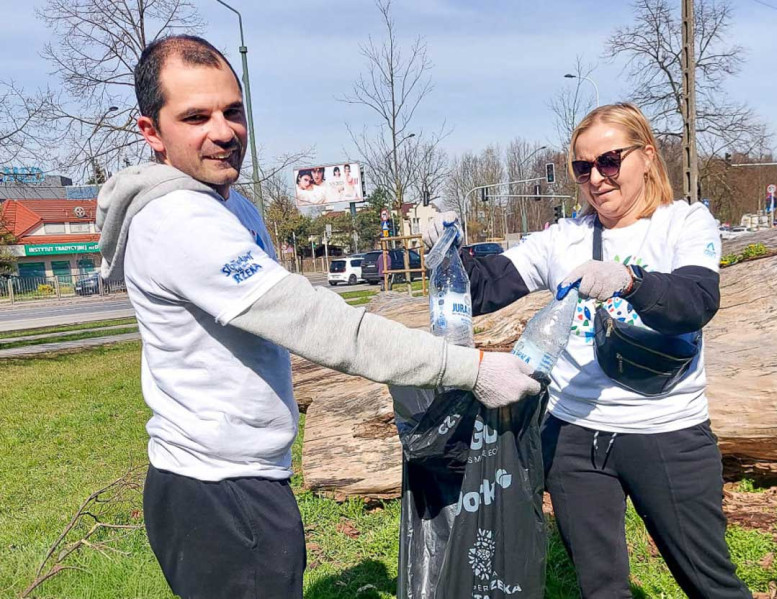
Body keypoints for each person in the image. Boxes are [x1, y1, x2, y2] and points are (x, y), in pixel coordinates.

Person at [96, 34, 539, 599]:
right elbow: (323, 326)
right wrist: (470, 368)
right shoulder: (179, 221)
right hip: (217, 491)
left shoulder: (230, 203)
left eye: (232, 111)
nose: (223, 131)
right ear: (151, 132)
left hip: (243, 478)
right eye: (195, 116)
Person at [423, 103, 751, 599]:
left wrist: (628, 280)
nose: (596, 178)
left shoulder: (683, 223)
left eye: (610, 161)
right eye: (582, 167)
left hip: (666, 432)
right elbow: (485, 288)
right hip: (574, 438)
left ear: (647, 156)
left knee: (709, 582)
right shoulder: (566, 237)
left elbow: (695, 302)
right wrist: (449, 250)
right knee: (600, 587)